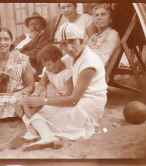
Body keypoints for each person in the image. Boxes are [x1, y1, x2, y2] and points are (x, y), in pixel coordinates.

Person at [17, 23, 107, 151]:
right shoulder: (69, 57)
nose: (69, 48)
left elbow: (74, 99)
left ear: (81, 40)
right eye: (64, 44)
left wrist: (42, 100)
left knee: (39, 109)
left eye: (72, 41)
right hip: (73, 99)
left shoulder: (89, 62)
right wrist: (51, 88)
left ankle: (44, 135)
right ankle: (40, 135)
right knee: (31, 106)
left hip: (88, 105)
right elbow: (50, 74)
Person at [24, 44, 73, 118]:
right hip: (51, 95)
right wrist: (35, 93)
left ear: (58, 60)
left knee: (43, 100)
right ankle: (30, 106)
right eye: (45, 66)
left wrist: (57, 98)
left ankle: (31, 111)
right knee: (42, 90)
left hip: (61, 98)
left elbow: (70, 92)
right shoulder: (48, 72)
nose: (47, 68)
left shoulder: (67, 73)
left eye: (48, 64)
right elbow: (41, 83)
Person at [12, 12, 50, 81]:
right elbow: (10, 48)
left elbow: (38, 52)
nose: (33, 26)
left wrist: (19, 56)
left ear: (42, 26)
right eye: (31, 24)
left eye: (36, 24)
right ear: (29, 27)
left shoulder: (44, 36)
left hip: (29, 65)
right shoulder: (22, 36)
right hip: (13, 61)